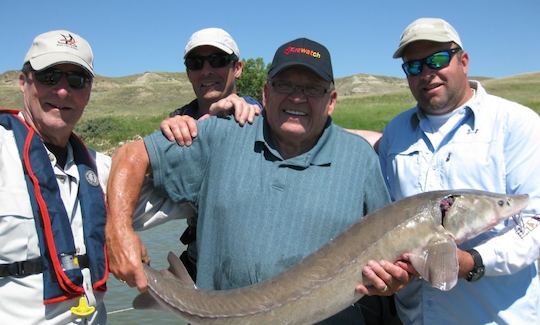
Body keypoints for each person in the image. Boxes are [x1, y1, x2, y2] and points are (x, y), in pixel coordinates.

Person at [106, 37, 409, 324]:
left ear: (331, 101)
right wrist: (118, 232)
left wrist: (392, 280)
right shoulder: (221, 134)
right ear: (265, 93)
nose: (297, 97)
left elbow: (389, 252)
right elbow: (132, 155)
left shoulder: (360, 158)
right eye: (284, 85)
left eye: (312, 88)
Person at [377, 17, 540, 324]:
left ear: (463, 61)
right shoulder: (395, 133)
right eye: (414, 66)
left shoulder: (516, 124)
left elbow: (535, 221)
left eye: (437, 59)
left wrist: (472, 262)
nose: (427, 73)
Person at [0, 30, 108, 324]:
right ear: (24, 82)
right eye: (50, 76)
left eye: (76, 80)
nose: (63, 91)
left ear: (88, 91)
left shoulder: (104, 170)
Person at [159, 27, 261, 281]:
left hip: (262, 268)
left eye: (217, 61)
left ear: (237, 67)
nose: (206, 71)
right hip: (202, 268)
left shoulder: (262, 116)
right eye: (196, 63)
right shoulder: (178, 122)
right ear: (188, 72)